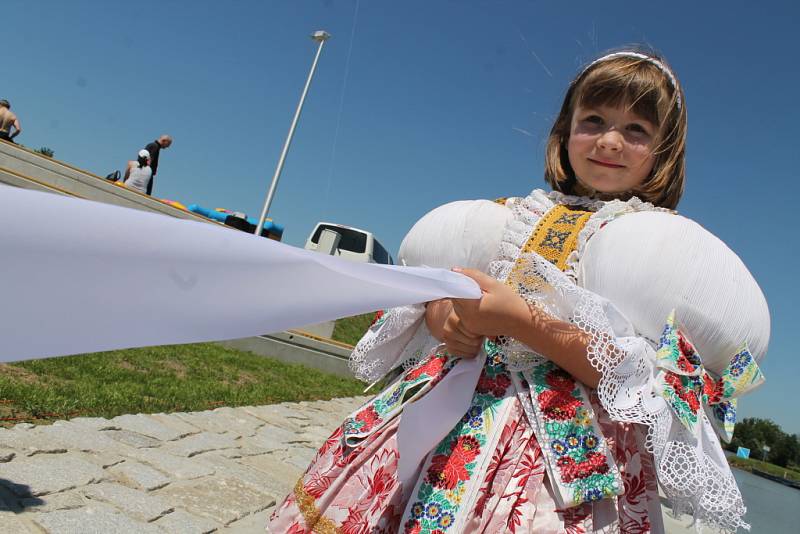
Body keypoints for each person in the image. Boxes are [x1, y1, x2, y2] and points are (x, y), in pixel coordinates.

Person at [268, 49, 770, 533]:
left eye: (636, 130)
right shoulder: (509, 214)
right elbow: (452, 289)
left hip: (558, 458)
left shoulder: (657, 252)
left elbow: (632, 376)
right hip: (450, 414)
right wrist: (444, 316)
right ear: (564, 130)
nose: (609, 141)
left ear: (664, 151)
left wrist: (522, 323)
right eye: (593, 120)